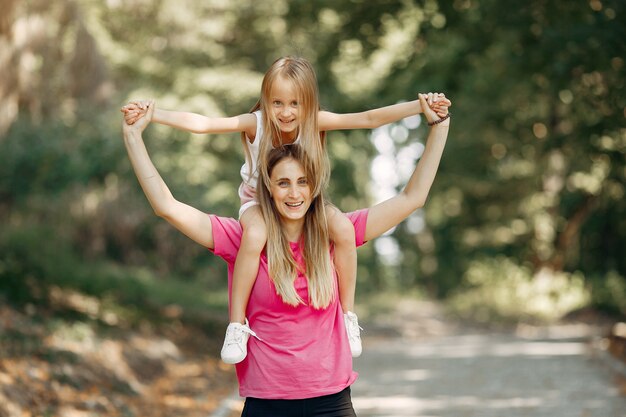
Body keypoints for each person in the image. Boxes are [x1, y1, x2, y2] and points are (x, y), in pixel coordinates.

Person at [121, 91, 450, 416]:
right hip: (267, 405)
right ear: (267, 187)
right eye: (283, 183)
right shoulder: (244, 239)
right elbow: (166, 206)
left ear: (314, 186)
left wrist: (440, 126)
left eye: (303, 182)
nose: (294, 193)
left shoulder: (335, 235)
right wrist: (134, 136)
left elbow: (412, 198)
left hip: (331, 403)